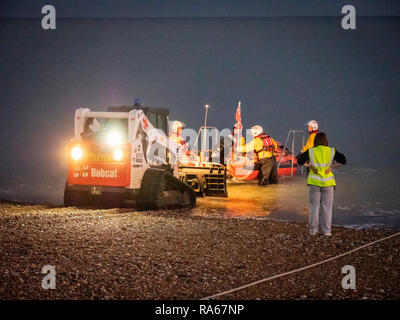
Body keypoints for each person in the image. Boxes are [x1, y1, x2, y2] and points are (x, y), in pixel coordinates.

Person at [297, 132, 346, 236]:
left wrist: (310, 166)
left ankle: (313, 230)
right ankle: (326, 231)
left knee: (314, 207)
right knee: (327, 208)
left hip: (314, 183)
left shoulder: (311, 151)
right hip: (328, 183)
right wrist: (332, 166)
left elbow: (300, 160)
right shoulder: (332, 151)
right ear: (325, 140)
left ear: (315, 141)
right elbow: (343, 160)